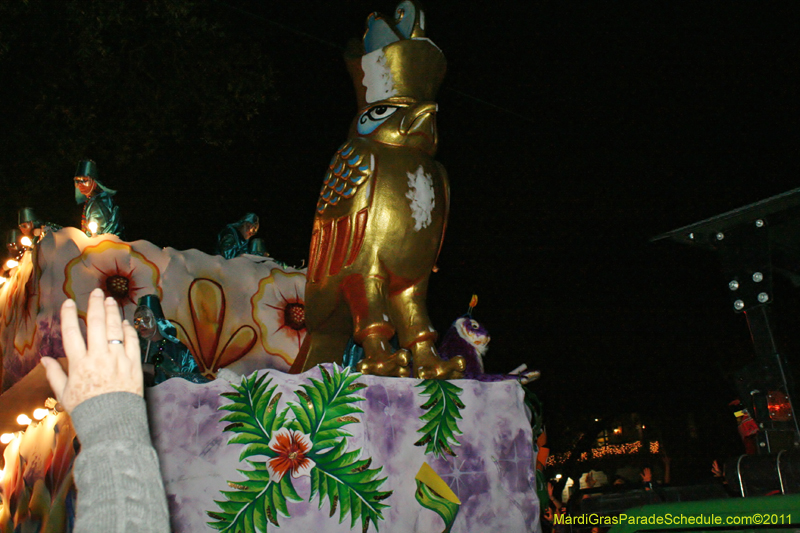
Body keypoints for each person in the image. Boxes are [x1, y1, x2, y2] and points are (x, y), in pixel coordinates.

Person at [40, 288, 170, 532]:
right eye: (139, 320)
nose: (142, 324)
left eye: (147, 320)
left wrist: (109, 418)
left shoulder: (170, 347)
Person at [74, 159, 124, 237]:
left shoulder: (99, 201)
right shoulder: (93, 199)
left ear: (94, 182)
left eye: (85, 180)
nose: (80, 185)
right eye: (77, 181)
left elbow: (96, 235)